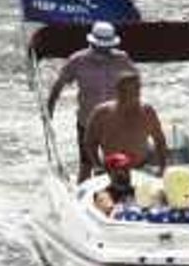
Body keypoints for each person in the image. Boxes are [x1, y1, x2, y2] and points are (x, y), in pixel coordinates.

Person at [47, 20, 131, 165]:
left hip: (114, 122)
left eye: (107, 48)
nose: (103, 51)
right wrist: (49, 111)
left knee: (117, 163)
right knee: (86, 164)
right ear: (92, 44)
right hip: (87, 122)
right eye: (99, 47)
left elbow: (134, 84)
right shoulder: (77, 61)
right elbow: (58, 86)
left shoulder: (122, 59)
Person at [80, 67, 170, 186]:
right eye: (126, 91)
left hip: (141, 169)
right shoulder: (101, 113)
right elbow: (89, 143)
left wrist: (162, 169)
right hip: (110, 171)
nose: (133, 95)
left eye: (136, 90)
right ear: (118, 91)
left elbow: (160, 141)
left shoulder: (147, 112)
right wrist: (97, 166)